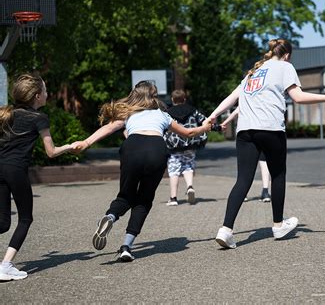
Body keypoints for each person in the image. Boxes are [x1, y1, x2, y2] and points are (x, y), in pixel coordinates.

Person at [209, 38, 325, 249]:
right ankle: (278, 225)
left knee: (242, 180)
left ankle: (225, 230)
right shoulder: (285, 67)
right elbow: (297, 97)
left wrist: (212, 116)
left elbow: (232, 98)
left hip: (245, 131)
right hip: (270, 129)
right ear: (287, 54)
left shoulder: (253, 72)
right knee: (278, 175)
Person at [72, 81, 210, 261]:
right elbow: (189, 133)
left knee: (125, 196)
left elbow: (108, 128)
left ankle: (110, 217)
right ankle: (126, 247)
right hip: (157, 150)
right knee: (144, 199)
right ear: (153, 97)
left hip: (132, 148)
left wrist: (86, 143)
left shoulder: (129, 113)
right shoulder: (162, 114)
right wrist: (205, 128)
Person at [0, 74, 74, 281]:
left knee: (3, 223)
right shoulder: (39, 118)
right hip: (16, 170)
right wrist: (70, 146)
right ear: (37, 96)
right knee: (25, 218)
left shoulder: (7, 113)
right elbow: (51, 152)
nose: (48, 94)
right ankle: (5, 266)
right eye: (46, 90)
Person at [164, 90, 208, 206]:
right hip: (190, 143)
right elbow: (204, 121)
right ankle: (190, 186)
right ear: (184, 99)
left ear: (172, 100)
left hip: (174, 145)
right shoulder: (193, 110)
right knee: (188, 165)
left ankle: (173, 198)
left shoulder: (168, 113)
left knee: (174, 170)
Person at [220, 107, 271, 202]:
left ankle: (243, 194)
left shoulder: (247, 96)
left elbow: (236, 111)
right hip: (265, 131)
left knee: (245, 166)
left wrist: (225, 123)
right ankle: (265, 192)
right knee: (264, 163)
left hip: (247, 135)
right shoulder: (264, 98)